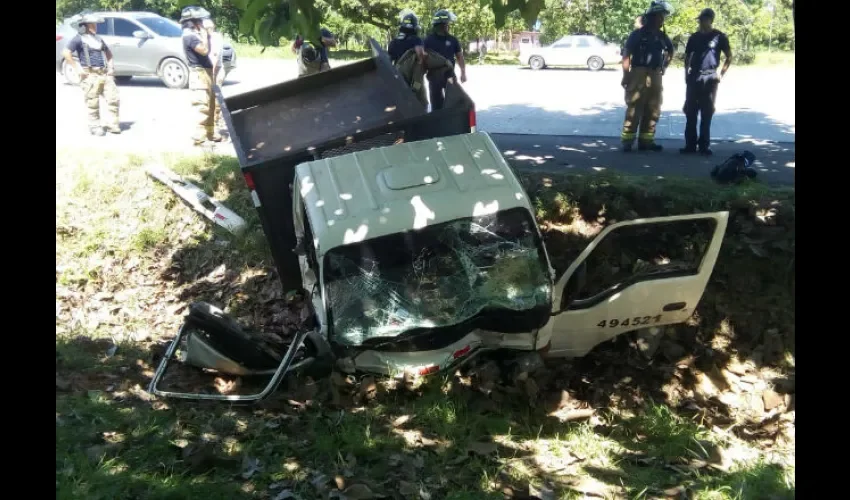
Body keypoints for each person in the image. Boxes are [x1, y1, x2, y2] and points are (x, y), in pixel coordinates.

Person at [620, 1, 674, 152]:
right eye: (660, 16)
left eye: (663, 17)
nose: (662, 19)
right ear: (652, 17)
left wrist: (664, 66)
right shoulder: (637, 34)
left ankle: (646, 141)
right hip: (638, 72)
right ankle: (628, 141)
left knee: (653, 107)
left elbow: (670, 51)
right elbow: (626, 54)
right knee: (635, 106)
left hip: (655, 74)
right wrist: (626, 75)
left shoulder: (662, 36)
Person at [680, 8, 732, 156]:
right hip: (694, 76)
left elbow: (729, 56)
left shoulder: (719, 37)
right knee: (690, 112)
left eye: (703, 20)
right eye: (700, 20)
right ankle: (690, 145)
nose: (701, 23)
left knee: (706, 112)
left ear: (710, 19)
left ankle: (704, 145)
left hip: (710, 77)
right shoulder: (694, 37)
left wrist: (721, 74)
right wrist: (686, 74)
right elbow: (687, 57)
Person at [62, 12, 120, 136]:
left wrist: (111, 68)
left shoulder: (98, 39)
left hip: (104, 73)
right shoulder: (78, 38)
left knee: (113, 98)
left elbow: (109, 54)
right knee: (92, 101)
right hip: (90, 75)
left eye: (95, 24)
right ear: (85, 26)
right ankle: (95, 126)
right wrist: (77, 68)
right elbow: (66, 53)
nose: (95, 26)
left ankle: (112, 124)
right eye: (93, 24)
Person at [180, 5, 220, 146]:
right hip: (199, 74)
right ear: (194, 22)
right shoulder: (189, 36)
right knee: (202, 105)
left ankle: (210, 133)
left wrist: (207, 35)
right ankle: (199, 138)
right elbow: (203, 50)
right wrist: (205, 33)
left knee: (211, 105)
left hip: (206, 72)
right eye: (201, 21)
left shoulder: (195, 35)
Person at [424, 9, 466, 111]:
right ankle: (440, 123)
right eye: (447, 24)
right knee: (438, 105)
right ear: (443, 25)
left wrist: (463, 73)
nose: (449, 26)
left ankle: (447, 122)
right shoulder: (428, 40)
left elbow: (460, 56)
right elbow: (423, 57)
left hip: (448, 75)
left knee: (452, 102)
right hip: (435, 77)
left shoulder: (452, 39)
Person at [203, 17, 226, 133]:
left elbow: (215, 56)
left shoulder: (215, 38)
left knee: (215, 96)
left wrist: (211, 72)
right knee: (210, 96)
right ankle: (212, 121)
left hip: (216, 69)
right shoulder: (207, 38)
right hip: (211, 69)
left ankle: (217, 121)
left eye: (206, 28)